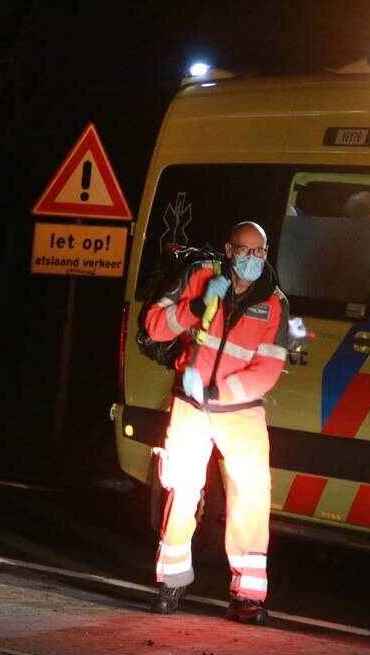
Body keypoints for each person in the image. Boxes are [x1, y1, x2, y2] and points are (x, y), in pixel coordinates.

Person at [144, 221, 289, 626]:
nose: (251, 260)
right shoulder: (200, 277)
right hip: (190, 405)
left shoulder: (275, 303)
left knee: (252, 497)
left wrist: (220, 393)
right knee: (183, 489)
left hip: (240, 411)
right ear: (228, 249)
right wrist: (194, 307)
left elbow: (268, 369)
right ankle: (171, 582)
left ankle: (247, 595)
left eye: (259, 253)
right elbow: (154, 325)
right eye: (244, 251)